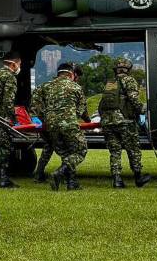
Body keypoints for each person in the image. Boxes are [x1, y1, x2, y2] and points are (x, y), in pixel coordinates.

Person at [99, 58, 151, 188]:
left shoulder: (110, 83)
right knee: (133, 149)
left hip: (107, 121)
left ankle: (117, 180)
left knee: (115, 151)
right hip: (124, 121)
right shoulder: (129, 80)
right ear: (129, 69)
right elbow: (133, 99)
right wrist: (142, 110)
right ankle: (138, 177)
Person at [45, 63, 88, 191]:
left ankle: (72, 182)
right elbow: (81, 109)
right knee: (80, 151)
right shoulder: (75, 87)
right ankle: (58, 173)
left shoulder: (48, 86)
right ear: (71, 74)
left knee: (66, 154)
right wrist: (88, 120)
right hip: (68, 124)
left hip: (51, 126)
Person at [0, 53, 22, 188]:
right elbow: (8, 102)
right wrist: (13, 119)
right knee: (6, 148)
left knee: (2, 146)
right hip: (1, 120)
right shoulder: (10, 77)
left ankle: (4, 178)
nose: (19, 67)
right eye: (19, 64)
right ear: (13, 64)